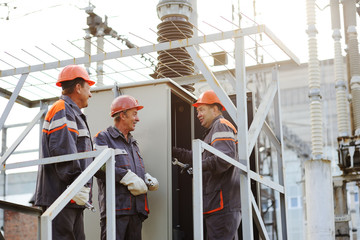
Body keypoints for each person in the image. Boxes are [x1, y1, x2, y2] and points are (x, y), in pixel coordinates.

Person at [34, 64, 95, 240]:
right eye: (88, 87)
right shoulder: (62, 108)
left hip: (71, 195)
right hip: (62, 195)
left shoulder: (73, 113)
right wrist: (78, 183)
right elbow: (63, 150)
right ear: (78, 87)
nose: (90, 93)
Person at [172, 90, 241, 240]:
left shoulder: (221, 125)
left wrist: (197, 167)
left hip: (222, 204)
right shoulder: (212, 131)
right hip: (217, 204)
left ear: (215, 109)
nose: (198, 115)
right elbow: (198, 157)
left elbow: (224, 158)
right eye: (197, 111)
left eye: (201, 109)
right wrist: (174, 151)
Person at [94, 95, 159, 240]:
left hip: (136, 212)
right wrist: (124, 176)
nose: (137, 119)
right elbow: (97, 167)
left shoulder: (133, 144)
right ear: (122, 115)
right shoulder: (103, 138)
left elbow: (134, 173)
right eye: (134, 114)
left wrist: (145, 178)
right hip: (116, 212)